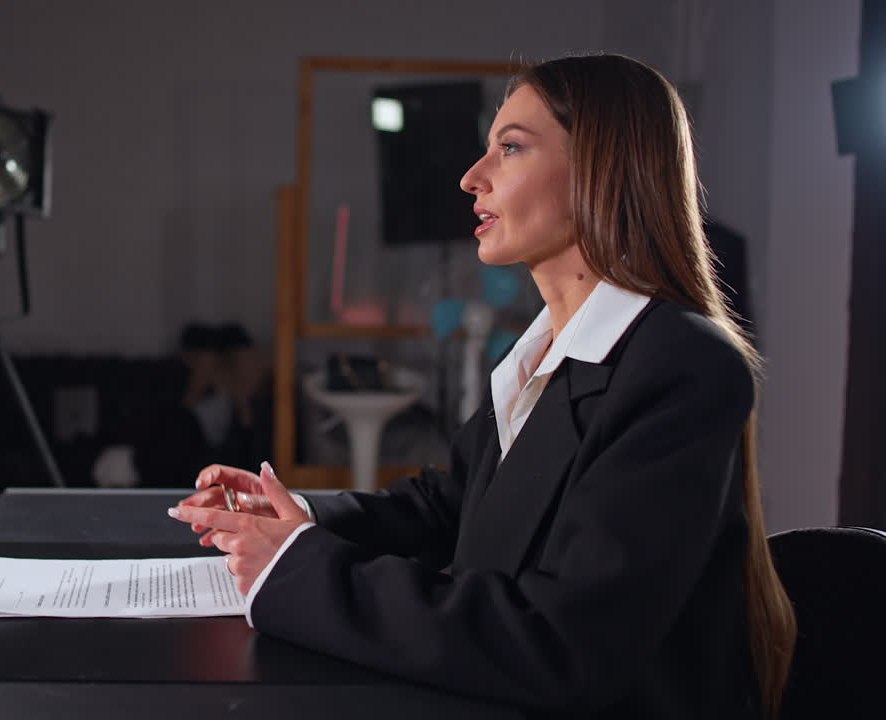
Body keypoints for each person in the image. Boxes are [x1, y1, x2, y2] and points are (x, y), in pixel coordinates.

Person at [166, 54, 796, 720]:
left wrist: (298, 565)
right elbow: (448, 506)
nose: (472, 178)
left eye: (511, 149)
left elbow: (565, 645)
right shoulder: (544, 353)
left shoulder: (682, 366)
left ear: (600, 169)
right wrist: (294, 514)